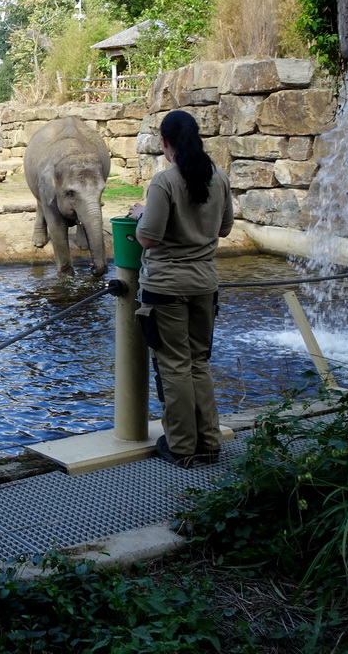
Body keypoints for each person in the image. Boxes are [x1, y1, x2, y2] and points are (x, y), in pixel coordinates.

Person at [126, 109, 234, 468]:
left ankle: (182, 447)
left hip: (166, 287)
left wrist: (141, 212)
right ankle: (209, 444)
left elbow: (148, 238)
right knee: (198, 362)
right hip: (206, 285)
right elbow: (224, 230)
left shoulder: (165, 182)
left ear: (165, 142)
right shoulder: (218, 177)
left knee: (173, 365)